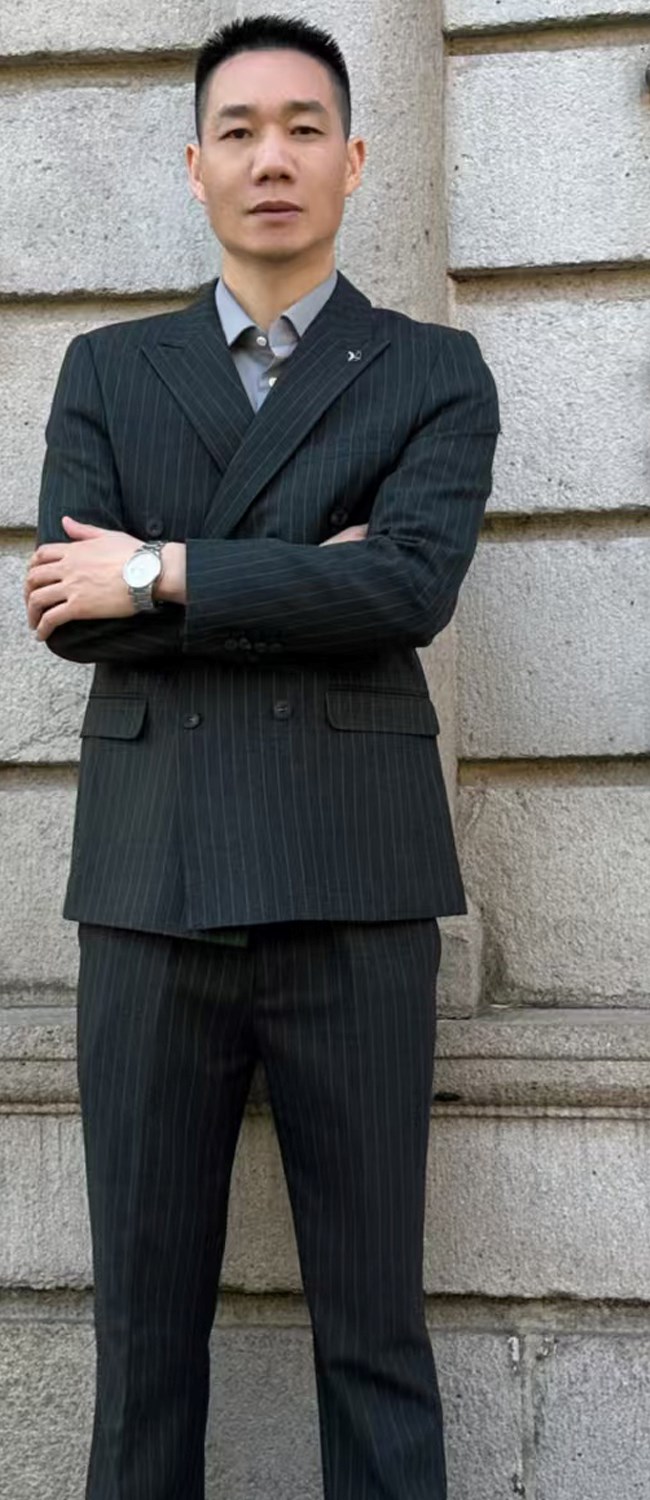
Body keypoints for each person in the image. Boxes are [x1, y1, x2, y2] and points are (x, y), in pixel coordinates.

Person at [24, 13, 499, 1499]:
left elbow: (406, 590)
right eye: (238, 130)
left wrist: (162, 570)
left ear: (354, 161)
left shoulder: (432, 369)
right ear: (195, 165)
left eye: (303, 128)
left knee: (374, 1334)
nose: (271, 157)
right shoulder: (108, 369)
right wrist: (304, 577)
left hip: (356, 895)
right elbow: (68, 614)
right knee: (140, 1346)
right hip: (149, 893)